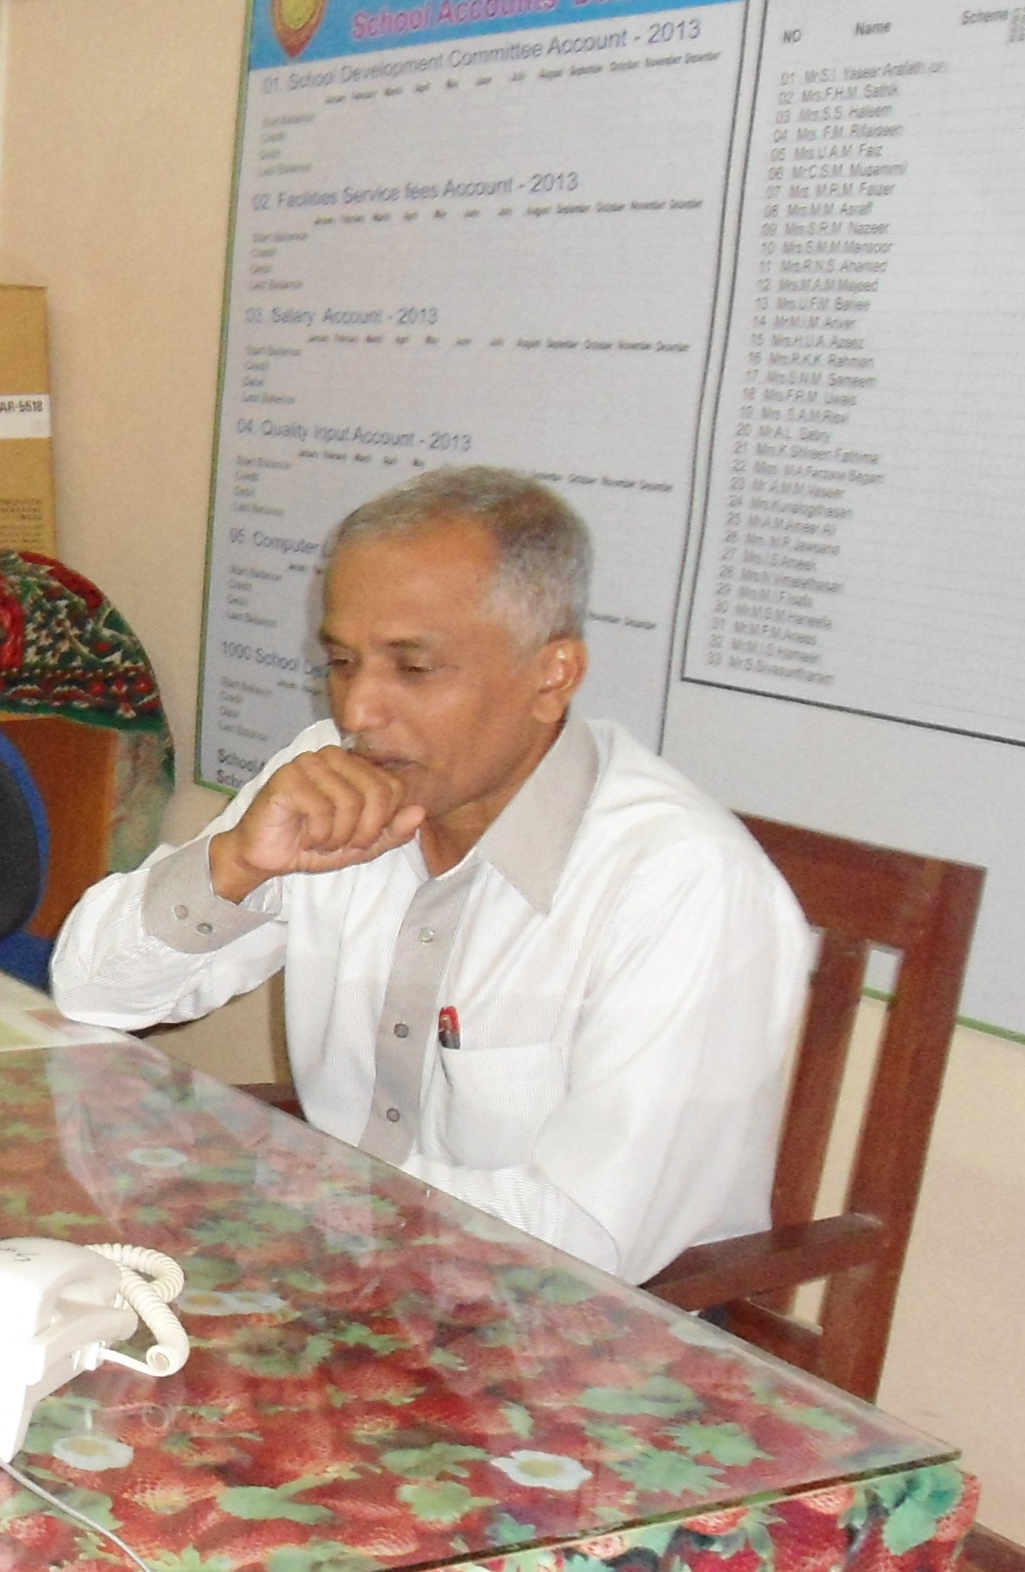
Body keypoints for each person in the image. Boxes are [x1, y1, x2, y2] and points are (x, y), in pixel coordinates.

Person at [50, 466, 808, 1284]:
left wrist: (285, 1200)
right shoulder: (331, 776)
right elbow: (93, 994)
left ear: (552, 676)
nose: (357, 711)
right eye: (342, 661)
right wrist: (234, 863)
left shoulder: (683, 885)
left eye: (413, 669)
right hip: (349, 1265)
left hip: (572, 1321)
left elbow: (584, 1238)